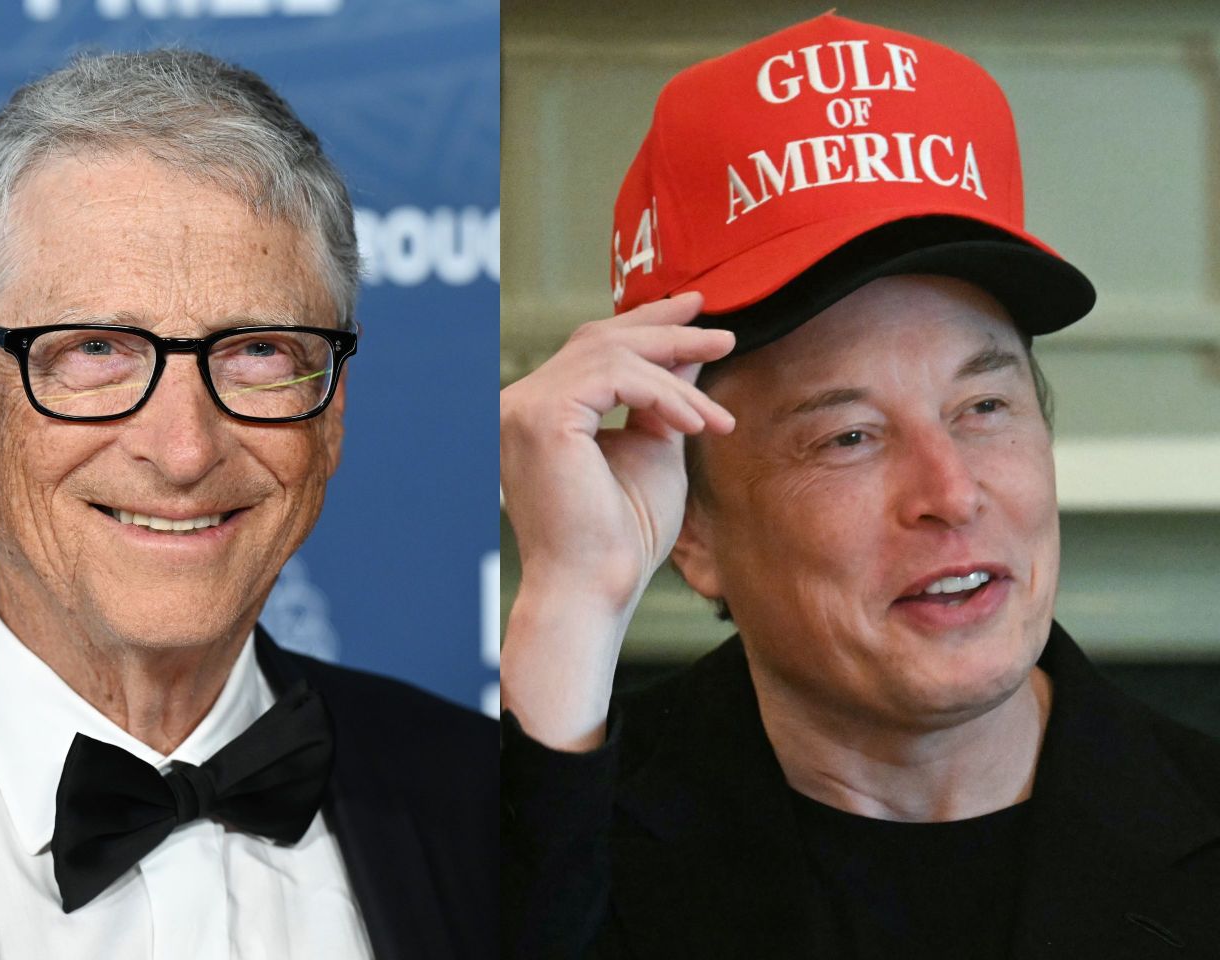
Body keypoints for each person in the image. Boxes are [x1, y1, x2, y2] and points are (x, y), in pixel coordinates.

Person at [500, 13, 1220, 959]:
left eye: (985, 407)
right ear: (694, 529)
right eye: (848, 435)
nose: (951, 492)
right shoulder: (554, 843)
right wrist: (568, 604)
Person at [0, 49, 495, 960]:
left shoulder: (480, 796)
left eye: (259, 351)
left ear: (334, 412)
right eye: (96, 350)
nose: (185, 449)